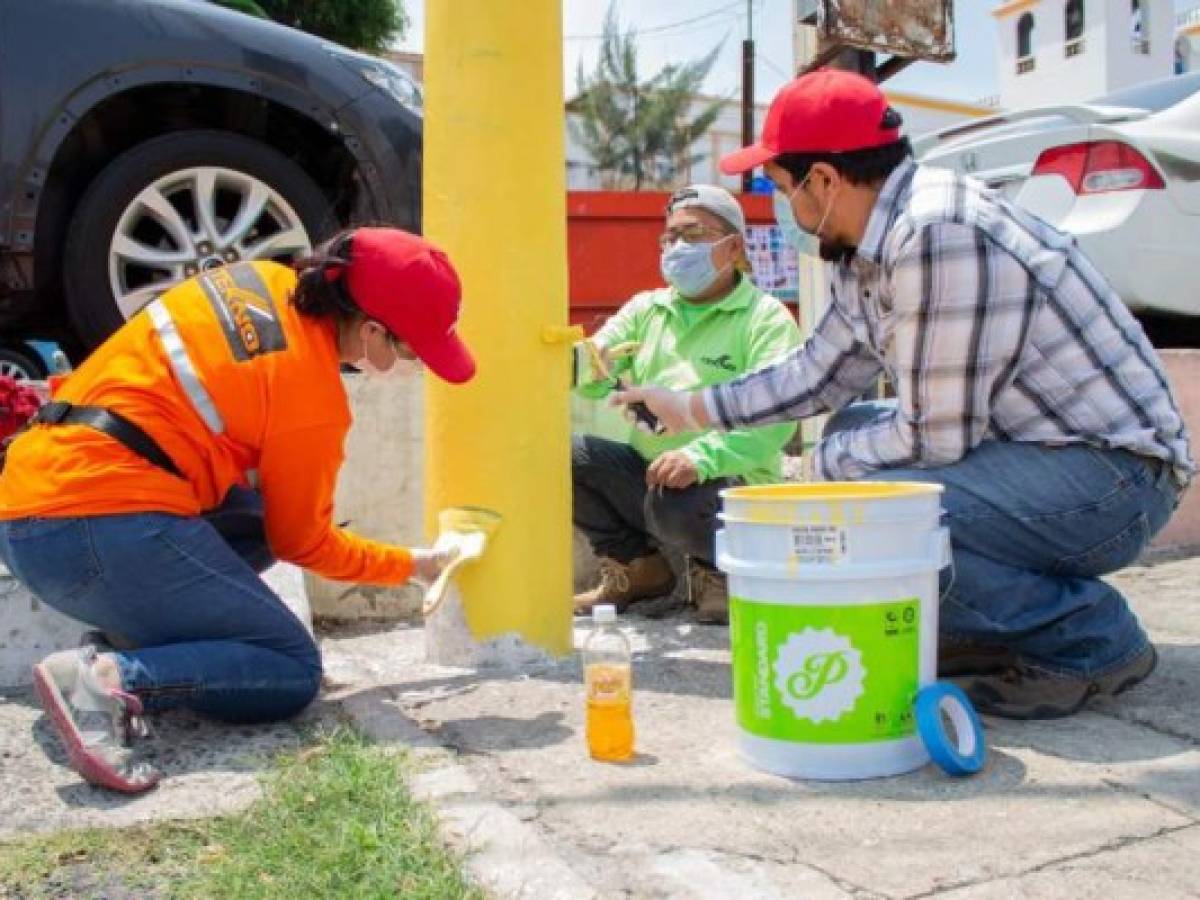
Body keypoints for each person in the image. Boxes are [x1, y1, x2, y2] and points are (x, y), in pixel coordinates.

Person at [617, 70, 1194, 718]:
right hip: (1040, 453)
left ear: (825, 181)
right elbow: (819, 372)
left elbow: (932, 437)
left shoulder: (935, 230)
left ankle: (1090, 639)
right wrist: (689, 408)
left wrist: (812, 479)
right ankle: (986, 627)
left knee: (872, 508)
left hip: (1114, 478)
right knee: (851, 438)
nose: (783, 208)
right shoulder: (865, 247)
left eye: (781, 188)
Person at [0, 227, 474, 792]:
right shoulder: (312, 399)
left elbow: (271, 518)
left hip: (29, 511)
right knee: (289, 667)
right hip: (93, 535)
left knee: (255, 521)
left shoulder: (258, 281)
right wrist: (415, 566)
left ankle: (138, 637)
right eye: (408, 349)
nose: (410, 363)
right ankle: (106, 679)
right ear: (371, 331)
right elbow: (307, 543)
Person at [572, 185, 800, 624]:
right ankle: (637, 568)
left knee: (676, 498)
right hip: (655, 474)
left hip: (731, 487)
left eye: (692, 235)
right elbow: (596, 369)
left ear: (733, 246)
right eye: (670, 237)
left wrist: (700, 457)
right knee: (571, 457)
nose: (677, 248)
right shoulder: (646, 309)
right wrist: (594, 372)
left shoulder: (765, 318)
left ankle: (719, 572)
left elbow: (773, 423)